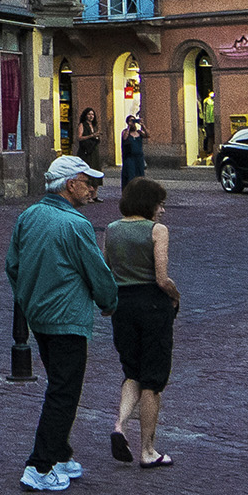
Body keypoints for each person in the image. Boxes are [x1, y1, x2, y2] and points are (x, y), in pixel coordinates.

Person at [5, 155, 118, 492]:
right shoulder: (76, 224)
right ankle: (39, 465)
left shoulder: (29, 216)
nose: (93, 189)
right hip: (67, 318)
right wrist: (109, 302)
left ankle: (60, 453)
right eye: (89, 182)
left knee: (59, 384)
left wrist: (26, 297)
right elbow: (97, 271)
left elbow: (13, 265)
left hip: (39, 316)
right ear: (71, 185)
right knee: (64, 391)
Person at [104, 177, 180, 469]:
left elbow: (106, 269)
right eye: (160, 204)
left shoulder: (111, 230)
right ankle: (148, 449)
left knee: (131, 372)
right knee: (153, 380)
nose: (162, 210)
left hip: (122, 305)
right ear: (149, 204)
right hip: (152, 305)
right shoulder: (156, 231)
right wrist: (175, 295)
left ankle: (119, 424)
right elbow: (161, 277)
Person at [120, 116, 147, 185]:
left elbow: (147, 135)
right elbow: (125, 138)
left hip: (139, 158)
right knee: (130, 175)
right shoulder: (125, 132)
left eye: (134, 120)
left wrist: (142, 125)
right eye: (131, 121)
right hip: (130, 157)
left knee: (140, 176)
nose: (133, 122)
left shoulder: (139, 132)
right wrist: (129, 127)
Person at [199, 93, 217, 162]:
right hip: (209, 121)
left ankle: (212, 151)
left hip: (213, 121)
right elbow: (204, 111)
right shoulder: (207, 101)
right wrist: (204, 121)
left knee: (213, 136)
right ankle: (209, 151)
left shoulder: (214, 101)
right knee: (209, 136)